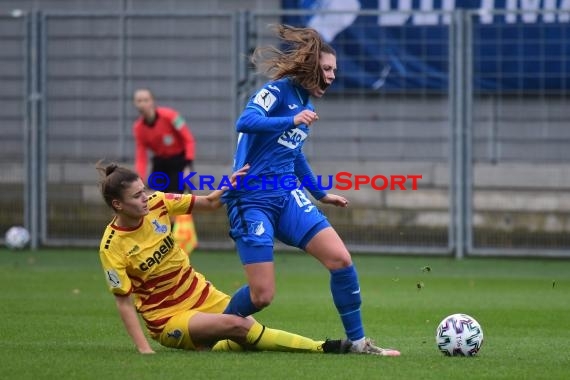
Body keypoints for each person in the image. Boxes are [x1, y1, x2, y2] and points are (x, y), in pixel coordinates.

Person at [221, 25, 400, 356]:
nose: (332, 76)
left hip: (287, 196)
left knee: (341, 260)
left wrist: (320, 193)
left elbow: (293, 152)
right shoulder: (276, 92)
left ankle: (359, 343)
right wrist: (291, 121)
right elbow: (244, 121)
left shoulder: (304, 102)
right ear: (312, 67)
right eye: (328, 69)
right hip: (250, 200)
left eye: (335, 70)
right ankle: (219, 327)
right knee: (262, 296)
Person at [96, 161, 350, 355]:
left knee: (246, 330)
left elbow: (208, 203)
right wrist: (145, 350)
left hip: (201, 294)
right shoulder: (112, 246)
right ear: (118, 205)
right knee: (239, 327)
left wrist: (230, 185)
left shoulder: (158, 202)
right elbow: (124, 302)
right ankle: (323, 347)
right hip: (167, 318)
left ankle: (206, 344)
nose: (145, 197)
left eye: (144, 190)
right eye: (137, 195)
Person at [132, 88, 198, 252]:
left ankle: (177, 243)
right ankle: (158, 240)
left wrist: (188, 165)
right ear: (135, 104)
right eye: (139, 101)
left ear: (152, 101)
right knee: (154, 201)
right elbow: (141, 155)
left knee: (175, 202)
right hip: (160, 162)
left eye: (145, 100)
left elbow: (189, 139)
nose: (142, 104)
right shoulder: (139, 128)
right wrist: (139, 178)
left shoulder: (171, 116)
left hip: (178, 161)